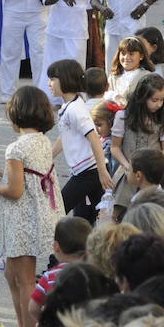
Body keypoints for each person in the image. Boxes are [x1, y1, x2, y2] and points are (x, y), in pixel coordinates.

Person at [0, 86, 61, 327]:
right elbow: (30, 176)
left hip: (23, 218)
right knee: (12, 275)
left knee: (23, 279)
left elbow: (15, 191)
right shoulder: (42, 140)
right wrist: (2, 172)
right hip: (39, 215)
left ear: (15, 114)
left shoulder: (16, 147)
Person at [48, 59, 113, 219]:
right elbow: (64, 137)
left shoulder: (76, 109)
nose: (49, 84)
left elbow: (94, 138)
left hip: (88, 172)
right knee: (88, 217)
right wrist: (46, 158)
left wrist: (102, 171)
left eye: (52, 79)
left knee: (57, 211)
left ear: (64, 80)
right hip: (86, 171)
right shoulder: (69, 107)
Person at [110, 74, 164, 213]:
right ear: (142, 97)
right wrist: (127, 166)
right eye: (154, 100)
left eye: (162, 100)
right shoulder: (123, 116)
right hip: (128, 175)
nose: (159, 104)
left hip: (153, 176)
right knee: (120, 211)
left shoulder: (163, 119)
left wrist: (149, 163)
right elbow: (115, 147)